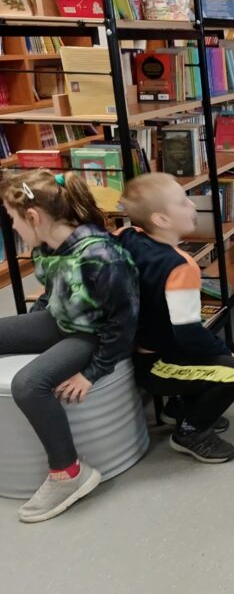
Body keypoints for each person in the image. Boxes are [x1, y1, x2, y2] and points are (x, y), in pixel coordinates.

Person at [0, 170, 138, 522]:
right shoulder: (48, 246)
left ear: (34, 217)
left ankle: (68, 472)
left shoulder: (102, 256)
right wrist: (31, 329)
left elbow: (123, 323)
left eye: (13, 219)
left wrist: (92, 372)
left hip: (93, 334)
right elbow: (54, 293)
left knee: (28, 384)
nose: (13, 227)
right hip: (62, 321)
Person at [118, 173, 234, 463]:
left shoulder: (128, 236)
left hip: (143, 351)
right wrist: (225, 353)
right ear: (161, 220)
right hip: (158, 366)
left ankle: (180, 408)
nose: (193, 205)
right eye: (183, 202)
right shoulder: (181, 266)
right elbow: (189, 333)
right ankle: (190, 432)